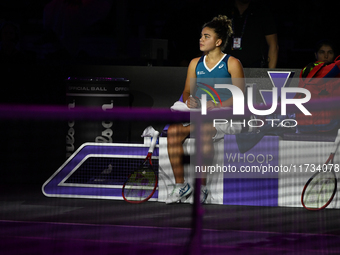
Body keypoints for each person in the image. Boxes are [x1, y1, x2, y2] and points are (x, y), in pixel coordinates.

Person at [166, 15, 245, 204]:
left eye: (206, 36)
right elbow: (186, 91)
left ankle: (202, 188)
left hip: (223, 117)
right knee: (173, 132)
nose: (201, 39)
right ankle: (181, 186)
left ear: (218, 42)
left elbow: (240, 96)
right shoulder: (195, 63)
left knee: (202, 132)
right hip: (199, 115)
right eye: (201, 36)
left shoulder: (232, 63)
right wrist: (190, 101)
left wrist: (217, 105)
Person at [223, 0, 278, 68]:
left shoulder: (262, 12)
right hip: (226, 68)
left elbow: (273, 45)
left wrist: (270, 74)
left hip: (254, 69)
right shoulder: (224, 11)